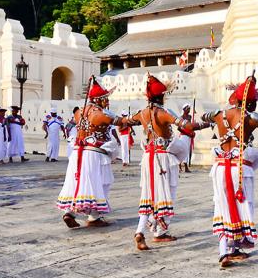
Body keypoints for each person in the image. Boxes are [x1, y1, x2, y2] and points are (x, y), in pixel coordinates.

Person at [201, 75, 258, 268]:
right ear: (250, 102)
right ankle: (234, 247)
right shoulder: (251, 117)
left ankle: (224, 251)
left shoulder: (219, 113)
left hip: (219, 167)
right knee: (243, 205)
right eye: (253, 103)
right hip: (239, 169)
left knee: (222, 205)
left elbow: (204, 117)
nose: (254, 107)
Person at [129, 75, 208, 250]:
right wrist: (206, 123)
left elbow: (125, 121)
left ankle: (140, 231)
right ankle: (159, 233)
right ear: (161, 97)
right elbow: (187, 126)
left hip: (148, 158)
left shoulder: (142, 113)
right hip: (162, 159)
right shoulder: (164, 112)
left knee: (148, 196)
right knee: (166, 194)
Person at [58, 78, 129, 228]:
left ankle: (70, 213)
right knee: (101, 182)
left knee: (79, 183)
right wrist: (137, 118)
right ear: (100, 99)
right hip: (93, 153)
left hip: (78, 152)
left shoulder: (79, 112)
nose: (107, 101)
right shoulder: (100, 114)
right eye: (105, 99)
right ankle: (94, 216)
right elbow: (121, 122)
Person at [178, 103, 194, 173]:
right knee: (183, 150)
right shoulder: (181, 118)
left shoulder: (190, 117)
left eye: (190, 109)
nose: (189, 110)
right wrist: (187, 133)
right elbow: (179, 128)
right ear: (184, 109)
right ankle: (180, 165)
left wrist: (192, 133)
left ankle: (186, 167)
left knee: (187, 151)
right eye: (188, 109)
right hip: (183, 136)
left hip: (188, 136)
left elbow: (190, 127)